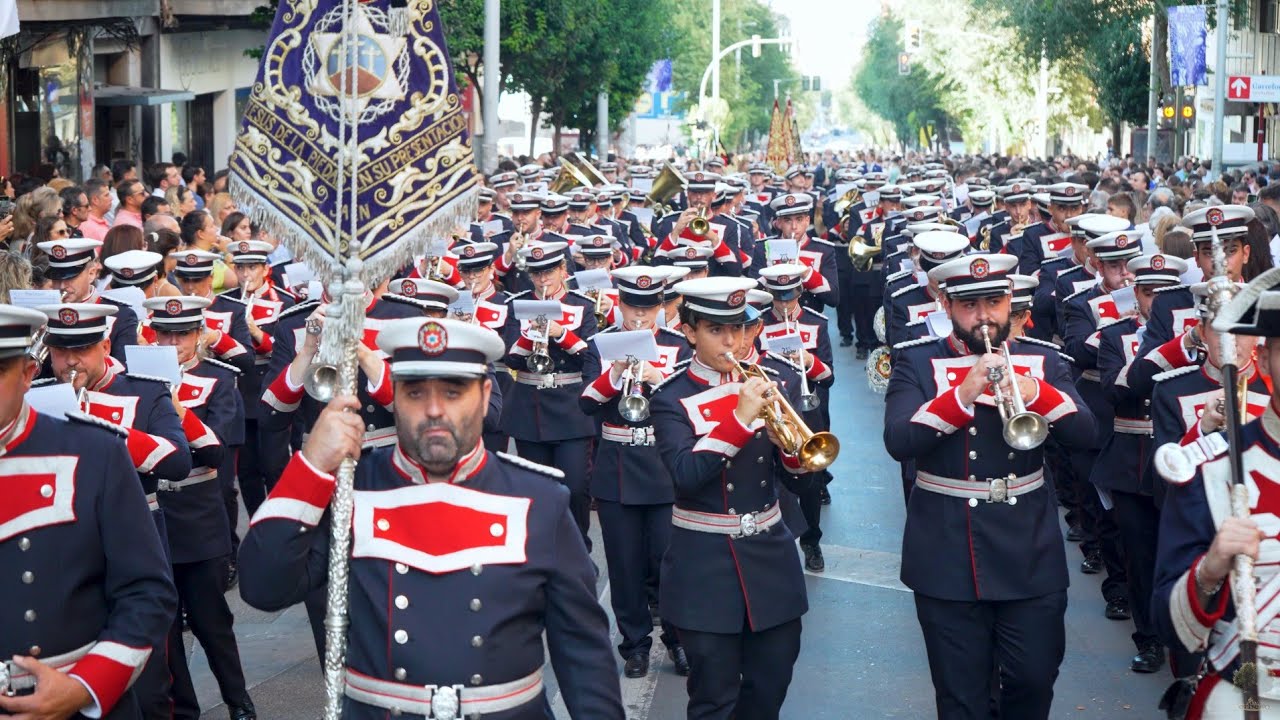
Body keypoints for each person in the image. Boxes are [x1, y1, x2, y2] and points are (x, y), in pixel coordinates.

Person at [239, 316, 626, 719]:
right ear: (393, 396)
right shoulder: (353, 492)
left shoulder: (539, 498)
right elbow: (263, 588)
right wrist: (312, 467)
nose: (435, 410)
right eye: (415, 392)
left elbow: (584, 657)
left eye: (453, 392)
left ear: (485, 395)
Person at [884, 253, 1095, 719]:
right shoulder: (916, 360)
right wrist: (962, 393)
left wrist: (1037, 392)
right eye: (969, 305)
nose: (984, 316)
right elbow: (899, 440)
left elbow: (1086, 435)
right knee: (961, 697)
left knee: (1033, 680)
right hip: (947, 550)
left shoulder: (1044, 359)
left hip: (1029, 550)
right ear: (945, 305)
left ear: (1010, 301)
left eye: (994, 303)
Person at [0, 304, 177, 720]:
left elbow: (146, 591)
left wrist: (85, 686)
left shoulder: (95, 451)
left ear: (28, 374)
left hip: (76, 699)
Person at [649, 276, 808, 720]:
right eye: (716, 330)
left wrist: (792, 453)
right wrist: (738, 421)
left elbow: (799, 480)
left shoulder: (772, 381)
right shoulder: (670, 397)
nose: (731, 342)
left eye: (737, 329)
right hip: (704, 566)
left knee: (770, 686)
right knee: (714, 699)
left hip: (770, 558)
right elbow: (685, 475)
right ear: (689, 332)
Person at [1150, 265, 1280, 718]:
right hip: (1249, 694)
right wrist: (1210, 570)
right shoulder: (1210, 467)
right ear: (1265, 358)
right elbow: (1170, 628)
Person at [144, 295, 256, 720]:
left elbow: (218, 448)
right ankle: (185, 711)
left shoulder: (219, 379)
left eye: (182, 334)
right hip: (153, 518)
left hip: (199, 517)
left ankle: (238, 700)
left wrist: (177, 412)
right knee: (165, 629)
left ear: (199, 335)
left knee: (212, 622)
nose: (173, 343)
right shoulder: (136, 384)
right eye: (164, 334)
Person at [580, 265, 691, 679]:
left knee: (669, 560)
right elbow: (586, 402)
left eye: (648, 306)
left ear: (660, 306)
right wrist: (615, 375)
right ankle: (635, 645)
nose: (640, 315)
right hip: (618, 468)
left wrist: (658, 378)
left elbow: (691, 401)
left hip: (663, 466)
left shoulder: (678, 345)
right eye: (632, 306)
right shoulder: (601, 344)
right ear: (620, 304)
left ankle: (678, 640)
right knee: (624, 565)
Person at [499, 239, 600, 548]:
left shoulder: (582, 306)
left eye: (549, 272)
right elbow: (510, 357)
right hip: (530, 407)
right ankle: (544, 554)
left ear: (562, 269)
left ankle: (578, 551)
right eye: (537, 273)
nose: (543, 279)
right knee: (537, 489)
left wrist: (562, 334)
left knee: (576, 487)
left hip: (570, 408)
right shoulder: (518, 305)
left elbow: (592, 358)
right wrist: (531, 336)